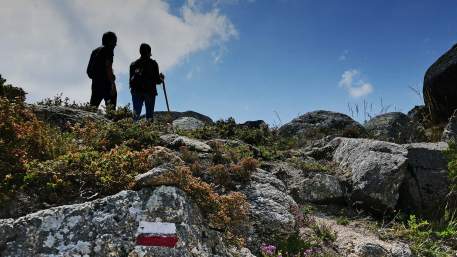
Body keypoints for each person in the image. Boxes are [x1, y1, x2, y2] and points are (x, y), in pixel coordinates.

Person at [129, 43, 164, 121]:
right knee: (149, 115)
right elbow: (157, 80)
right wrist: (161, 78)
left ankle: (133, 130)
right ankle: (149, 131)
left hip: (136, 91)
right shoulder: (153, 64)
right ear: (149, 53)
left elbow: (130, 80)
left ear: (140, 52)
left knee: (136, 113)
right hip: (150, 92)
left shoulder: (133, 64)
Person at [86, 31, 117, 110]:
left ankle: (87, 122)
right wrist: (112, 84)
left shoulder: (95, 51)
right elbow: (108, 67)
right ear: (110, 41)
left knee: (92, 108)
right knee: (111, 110)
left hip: (96, 83)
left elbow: (89, 71)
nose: (115, 45)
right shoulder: (108, 50)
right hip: (106, 84)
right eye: (114, 41)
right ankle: (112, 122)